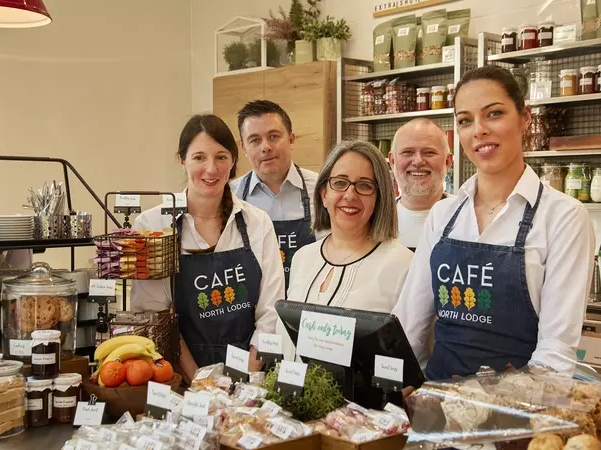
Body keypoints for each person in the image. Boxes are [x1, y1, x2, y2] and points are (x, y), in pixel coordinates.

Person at [392, 66, 595, 380]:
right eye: (465, 120)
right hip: (437, 409)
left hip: (517, 414)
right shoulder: (444, 215)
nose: (479, 130)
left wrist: (501, 412)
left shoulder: (563, 217)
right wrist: (394, 386)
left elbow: (555, 351)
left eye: (494, 114)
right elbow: (409, 327)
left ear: (524, 118)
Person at [131, 114, 284, 381]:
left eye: (221, 157)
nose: (211, 169)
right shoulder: (152, 224)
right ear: (182, 159)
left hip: (250, 378)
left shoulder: (257, 223)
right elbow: (155, 314)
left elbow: (271, 311)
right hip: (179, 378)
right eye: (199, 157)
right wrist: (198, 380)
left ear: (234, 160)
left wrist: (245, 376)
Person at [281, 140, 413, 360]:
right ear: (324, 195)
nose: (350, 195)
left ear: (379, 198)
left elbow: (409, 360)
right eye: (340, 183)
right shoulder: (303, 257)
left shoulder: (402, 264)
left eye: (364, 185)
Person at [231, 100, 319, 293]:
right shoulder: (231, 197)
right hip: (253, 311)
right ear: (244, 148)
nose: (266, 147)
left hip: (309, 306)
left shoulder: (322, 190)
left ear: (291, 140)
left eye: (273, 136)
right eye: (254, 140)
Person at [389, 118, 453, 252]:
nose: (418, 161)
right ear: (392, 161)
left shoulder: (469, 217)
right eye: (407, 152)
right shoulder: (374, 220)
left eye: (429, 152)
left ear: (447, 162)